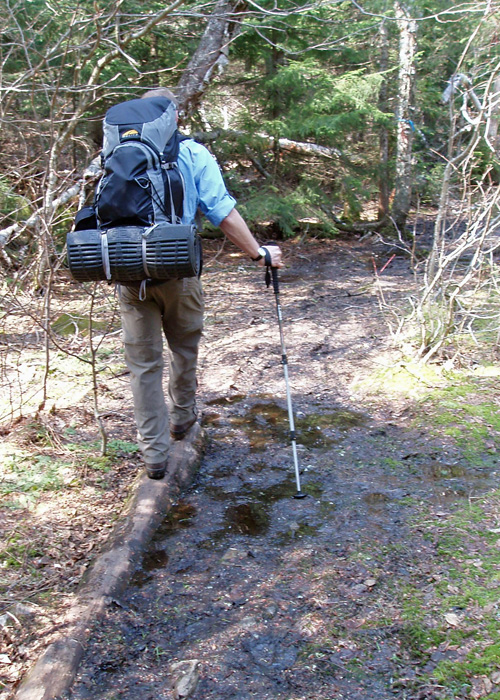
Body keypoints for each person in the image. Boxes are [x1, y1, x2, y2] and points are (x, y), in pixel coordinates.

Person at [118, 88, 283, 480]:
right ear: (174, 116)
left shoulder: (114, 152)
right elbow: (221, 212)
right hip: (179, 270)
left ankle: (155, 456)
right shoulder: (192, 154)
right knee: (184, 348)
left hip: (128, 273)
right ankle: (182, 420)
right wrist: (259, 253)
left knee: (143, 366)